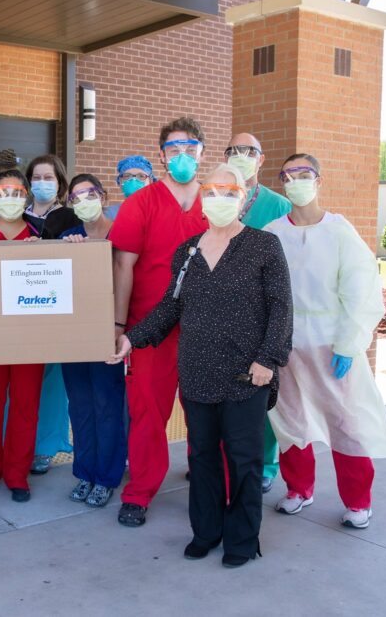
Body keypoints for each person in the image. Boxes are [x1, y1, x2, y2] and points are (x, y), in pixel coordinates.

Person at [110, 163, 293, 567]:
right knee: (203, 457)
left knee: (242, 460)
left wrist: (268, 358)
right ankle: (206, 532)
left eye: (229, 191)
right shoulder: (188, 251)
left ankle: (242, 540)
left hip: (246, 374)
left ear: (243, 199)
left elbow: (281, 307)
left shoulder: (264, 246)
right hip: (197, 370)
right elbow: (170, 308)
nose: (219, 199)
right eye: (211, 191)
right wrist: (131, 338)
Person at [265, 153, 386, 529]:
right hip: (285, 342)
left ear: (319, 180)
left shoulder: (339, 231)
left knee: (345, 422)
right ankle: (298, 489)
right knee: (289, 419)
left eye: (303, 173)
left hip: (329, 341)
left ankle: (358, 500)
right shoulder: (273, 233)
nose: (296, 181)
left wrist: (349, 343)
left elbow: (360, 288)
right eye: (288, 176)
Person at [108, 116, 209, 528]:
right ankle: (140, 491)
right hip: (150, 327)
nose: (182, 155)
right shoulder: (142, 203)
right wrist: (119, 326)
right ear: (162, 156)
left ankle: (209, 482)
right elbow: (123, 266)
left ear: (201, 152)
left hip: (206, 327)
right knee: (148, 409)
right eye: (173, 149)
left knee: (206, 408)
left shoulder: (216, 201)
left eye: (189, 148)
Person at [0, 168, 47, 502]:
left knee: (25, 405)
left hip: (32, 333)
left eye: (17, 192)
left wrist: (44, 250)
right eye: (3, 192)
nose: (10, 198)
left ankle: (17, 475)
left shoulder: (42, 229)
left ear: (27, 195)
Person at [224, 133, 292, 493]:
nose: (241, 155)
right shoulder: (218, 198)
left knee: (261, 395)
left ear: (261, 159)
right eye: (233, 150)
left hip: (263, 316)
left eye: (249, 151)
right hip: (222, 316)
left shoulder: (278, 206)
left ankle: (266, 463)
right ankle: (225, 462)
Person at [58, 174, 127, 507]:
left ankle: (107, 476)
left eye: (89, 194)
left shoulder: (121, 234)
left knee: (107, 405)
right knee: (81, 406)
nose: (83, 201)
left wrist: (119, 328)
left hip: (106, 332)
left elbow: (125, 279)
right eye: (76, 197)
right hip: (72, 335)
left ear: (103, 196)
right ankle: (84, 472)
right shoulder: (68, 237)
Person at [25, 154, 77, 474]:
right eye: (37, 177)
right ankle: (17, 443)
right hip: (21, 311)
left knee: (53, 384)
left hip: (56, 309)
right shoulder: (16, 215)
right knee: (21, 383)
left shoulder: (70, 218)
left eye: (49, 178)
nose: (42, 183)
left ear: (59, 183)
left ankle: (44, 447)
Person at [104, 155, 156, 220]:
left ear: (151, 181)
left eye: (141, 176)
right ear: (120, 181)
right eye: (127, 176)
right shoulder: (109, 215)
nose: (134, 181)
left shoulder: (161, 213)